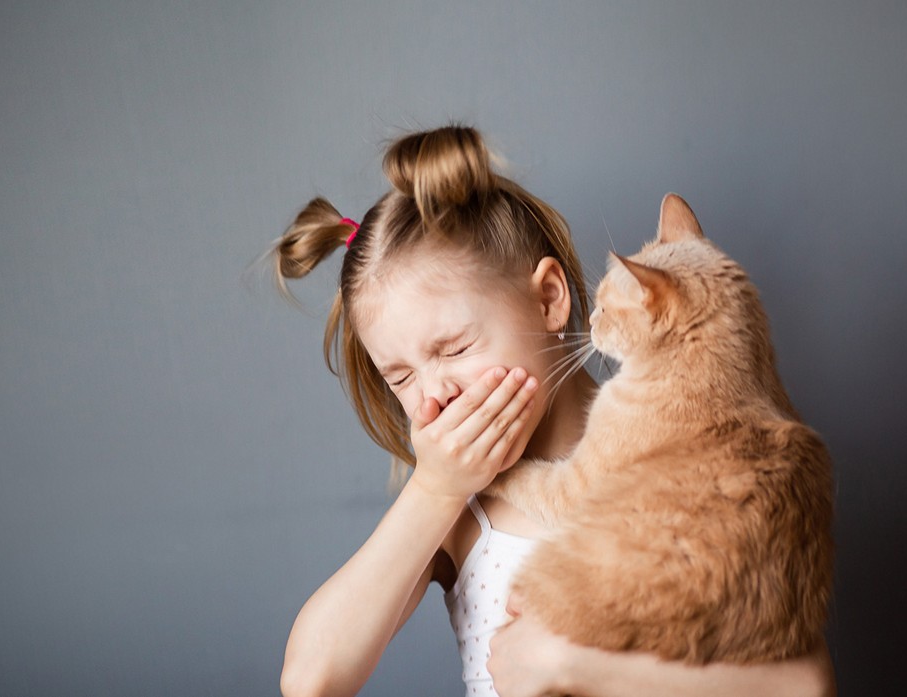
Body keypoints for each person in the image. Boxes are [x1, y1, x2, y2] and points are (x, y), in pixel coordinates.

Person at [270, 125, 835, 697]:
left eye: (456, 349)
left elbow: (805, 685)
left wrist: (572, 666)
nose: (432, 395)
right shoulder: (458, 515)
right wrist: (434, 490)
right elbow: (311, 680)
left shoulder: (699, 466)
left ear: (548, 299)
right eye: (401, 377)